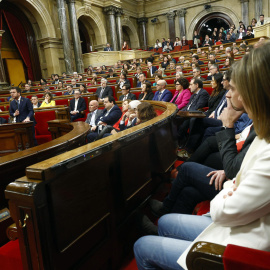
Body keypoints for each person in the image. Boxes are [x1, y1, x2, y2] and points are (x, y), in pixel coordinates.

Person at [134, 41, 270, 270]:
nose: (229, 94)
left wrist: (230, 188)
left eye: (234, 89)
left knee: (141, 246)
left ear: (253, 94)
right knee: (167, 221)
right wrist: (233, 186)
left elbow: (223, 209)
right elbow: (237, 179)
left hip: (240, 245)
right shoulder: (262, 133)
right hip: (241, 225)